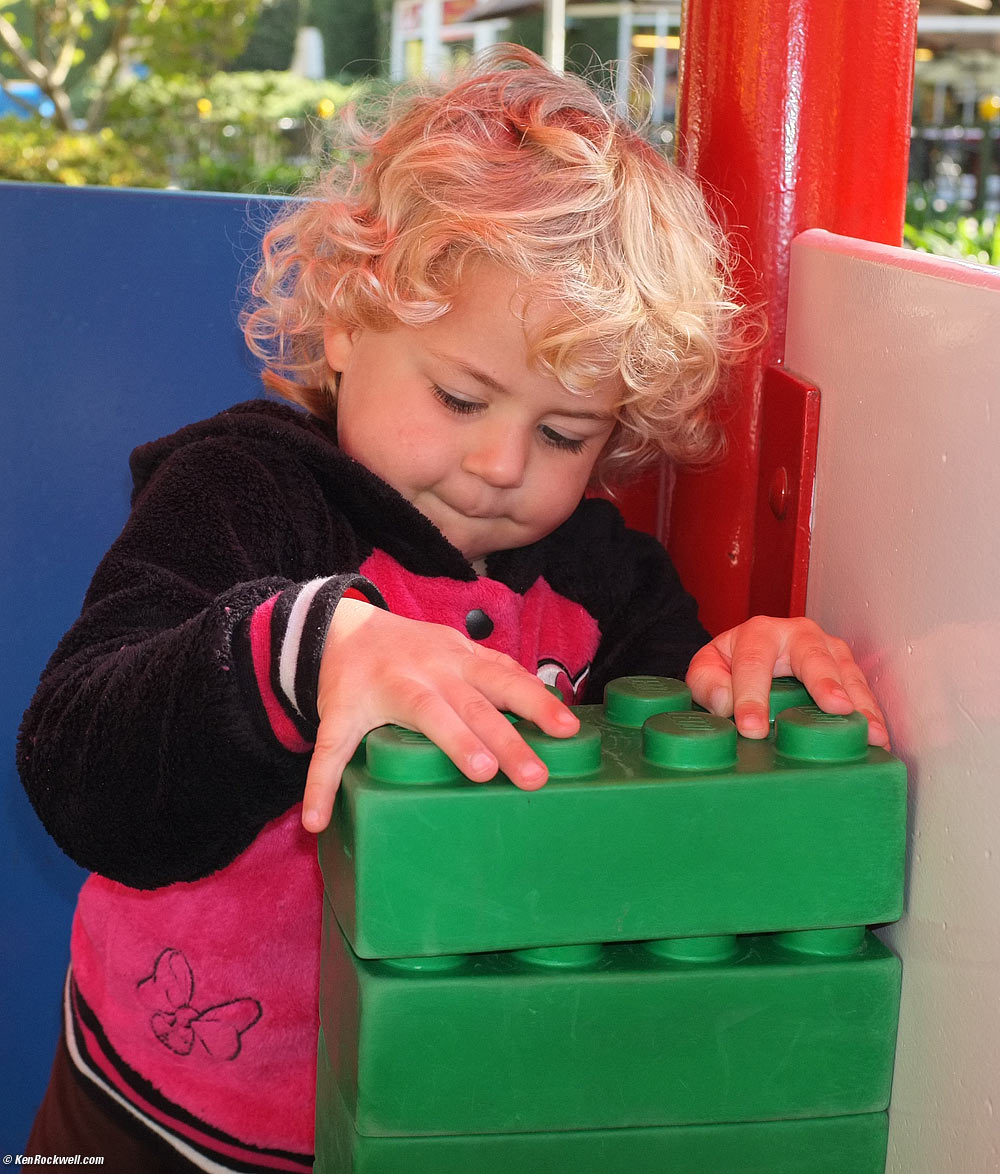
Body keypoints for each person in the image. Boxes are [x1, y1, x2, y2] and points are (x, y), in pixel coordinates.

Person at [18, 45, 888, 1173]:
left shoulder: (597, 578)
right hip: (156, 1111)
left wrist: (741, 677)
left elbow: (671, 774)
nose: (497, 462)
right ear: (345, 321)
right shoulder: (246, 494)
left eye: (565, 434)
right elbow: (75, 762)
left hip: (451, 1117)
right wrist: (311, 651)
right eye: (460, 394)